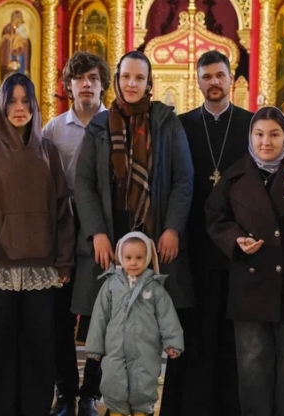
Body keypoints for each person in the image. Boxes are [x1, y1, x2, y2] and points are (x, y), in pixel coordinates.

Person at [73, 50, 194, 415]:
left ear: (149, 82)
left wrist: (172, 228)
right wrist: (96, 232)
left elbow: (183, 179)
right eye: (126, 76)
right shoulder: (99, 125)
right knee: (104, 321)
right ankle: (90, 394)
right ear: (117, 80)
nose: (132, 83)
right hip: (111, 235)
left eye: (139, 78)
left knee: (148, 323)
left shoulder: (166, 122)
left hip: (154, 236)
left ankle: (145, 400)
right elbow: (84, 182)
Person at [0, 73, 75, 416]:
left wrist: (64, 261)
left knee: (37, 352)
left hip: (42, 268)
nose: (19, 108)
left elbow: (62, 209)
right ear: (1, 105)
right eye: (12, 101)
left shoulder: (48, 150)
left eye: (26, 101)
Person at [206, 106, 284, 416]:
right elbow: (215, 218)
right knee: (253, 372)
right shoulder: (235, 175)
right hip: (250, 288)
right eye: (259, 134)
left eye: (274, 134)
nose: (266, 142)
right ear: (250, 136)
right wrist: (236, 239)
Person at [162, 50, 253, 416]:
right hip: (193, 242)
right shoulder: (181, 125)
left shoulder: (251, 124)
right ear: (197, 81)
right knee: (194, 328)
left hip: (237, 242)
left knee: (232, 330)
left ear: (231, 79)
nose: (214, 82)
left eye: (220, 75)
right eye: (207, 76)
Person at [43, 52, 111, 416]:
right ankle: (66, 391)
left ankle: (91, 392)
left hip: (103, 232)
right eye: (79, 78)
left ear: (103, 85)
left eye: (93, 78)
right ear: (68, 85)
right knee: (60, 317)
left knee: (102, 316)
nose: (86, 84)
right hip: (63, 232)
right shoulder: (53, 130)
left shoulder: (115, 126)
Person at [85, 232, 184, 416]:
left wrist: (172, 343)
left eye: (139, 258)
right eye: (128, 257)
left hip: (145, 350)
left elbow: (167, 317)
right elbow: (99, 317)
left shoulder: (155, 288)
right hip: (115, 350)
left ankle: (141, 411)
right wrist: (94, 348)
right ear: (120, 257)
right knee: (113, 383)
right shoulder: (110, 285)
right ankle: (116, 411)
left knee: (144, 384)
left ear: (148, 258)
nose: (133, 263)